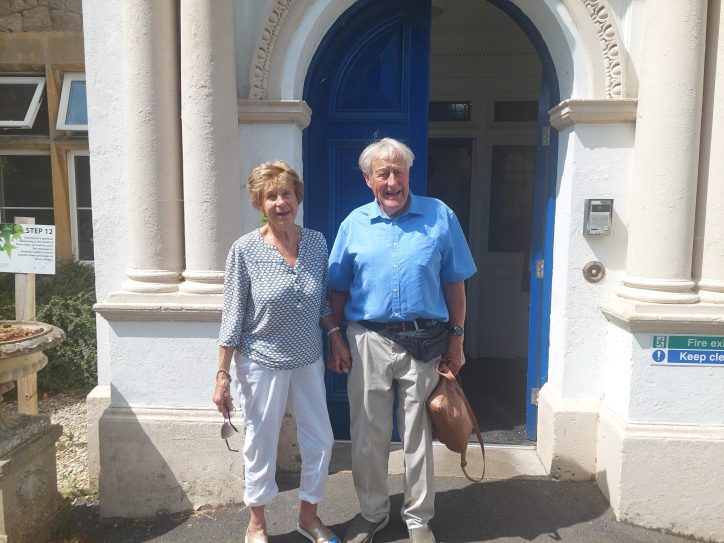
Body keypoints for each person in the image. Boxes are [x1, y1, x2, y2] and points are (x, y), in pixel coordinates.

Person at [327, 138, 476, 543]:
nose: (392, 181)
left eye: (399, 171)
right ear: (367, 179)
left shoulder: (439, 216)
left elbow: (455, 281)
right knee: (368, 433)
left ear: (409, 174)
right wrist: (336, 338)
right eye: (383, 173)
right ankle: (372, 512)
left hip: (426, 341)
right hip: (367, 341)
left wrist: (457, 339)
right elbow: (337, 288)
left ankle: (418, 519)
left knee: (417, 435)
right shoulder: (353, 224)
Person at [213, 161, 345, 543]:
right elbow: (233, 315)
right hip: (260, 362)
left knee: (320, 439)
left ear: (297, 197)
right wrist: (222, 375)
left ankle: (309, 516)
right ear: (260, 203)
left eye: (286, 193)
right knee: (261, 441)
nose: (280, 202)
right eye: (271, 196)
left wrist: (335, 336)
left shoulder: (317, 242)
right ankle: (256, 523)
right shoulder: (245, 250)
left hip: (307, 360)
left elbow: (321, 302)